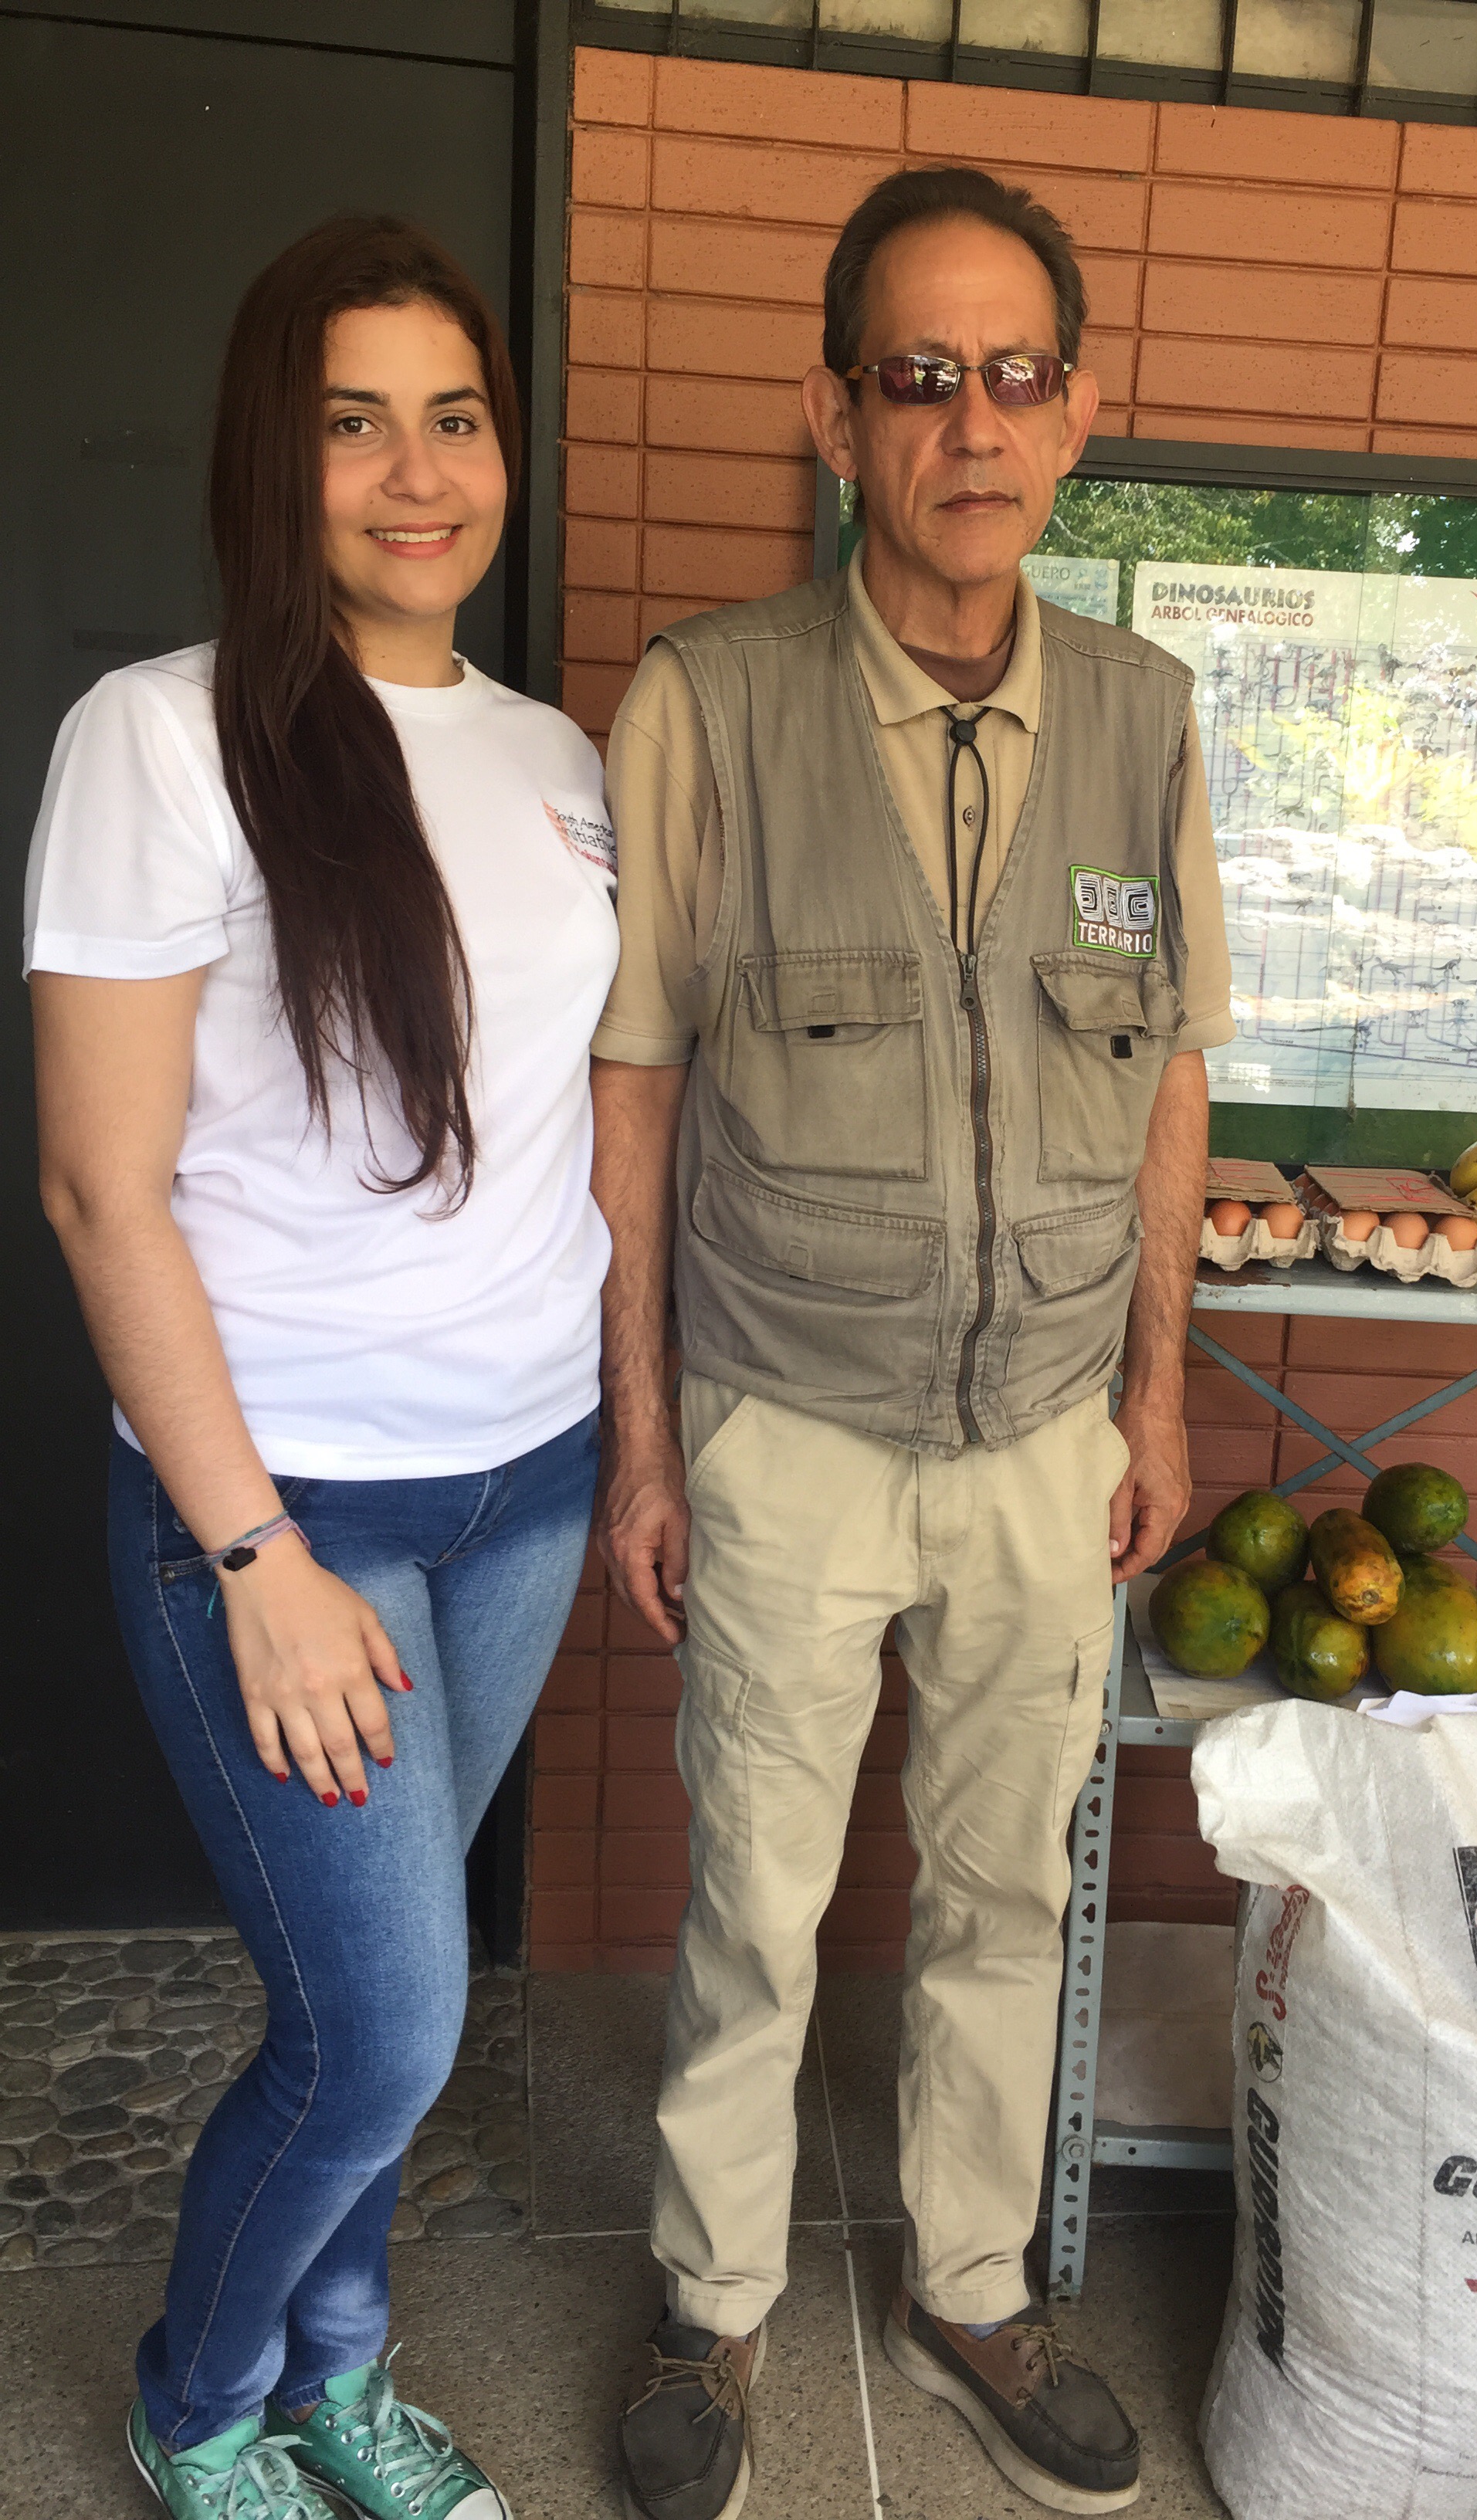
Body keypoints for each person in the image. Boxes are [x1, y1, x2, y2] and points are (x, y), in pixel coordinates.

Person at [594, 165, 1233, 2518]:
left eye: (1023, 374)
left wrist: (1152, 1405)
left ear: (1087, 412)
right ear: (837, 414)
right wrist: (646, 1449)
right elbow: (635, 1093)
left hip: (1044, 1438)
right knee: (755, 1901)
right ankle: (712, 2311)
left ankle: (972, 2280)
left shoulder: (1148, 718)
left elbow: (1171, 1075)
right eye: (921, 376)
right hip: (785, 1428)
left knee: (1004, 1891)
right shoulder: (713, 706)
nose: (978, 422)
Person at [26, 216, 620, 2520]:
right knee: (383, 2026)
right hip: (291, 1508)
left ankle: (339, 2378)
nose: (411, 472)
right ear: (276, 458)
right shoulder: (160, 739)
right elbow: (103, 1188)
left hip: (525, 1482)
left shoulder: (558, 756)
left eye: (450, 416)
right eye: (349, 420)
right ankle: (199, 2401)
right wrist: (251, 1545)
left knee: (386, 2023)